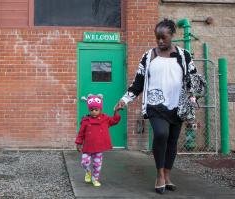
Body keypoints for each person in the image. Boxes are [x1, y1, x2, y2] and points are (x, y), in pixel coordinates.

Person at [115, 18, 198, 194]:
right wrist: (125, 100)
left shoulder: (184, 56)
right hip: (155, 104)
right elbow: (137, 83)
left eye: (164, 37)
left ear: (172, 36)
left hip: (178, 105)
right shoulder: (148, 56)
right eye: (157, 37)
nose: (160, 41)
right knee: (161, 134)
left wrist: (192, 99)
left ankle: (167, 175)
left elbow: (193, 81)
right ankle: (159, 174)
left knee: (173, 141)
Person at [75, 94, 121, 187]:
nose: (94, 112)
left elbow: (114, 121)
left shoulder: (105, 118)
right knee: (84, 162)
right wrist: (78, 143)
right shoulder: (85, 120)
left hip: (99, 147)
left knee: (97, 165)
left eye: (96, 110)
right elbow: (81, 133)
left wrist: (116, 111)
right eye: (92, 110)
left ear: (100, 109)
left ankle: (95, 179)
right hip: (87, 147)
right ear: (89, 110)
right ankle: (88, 172)